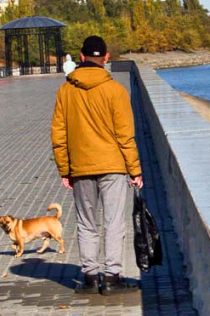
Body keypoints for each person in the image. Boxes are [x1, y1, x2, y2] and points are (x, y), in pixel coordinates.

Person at [51, 35, 144, 295]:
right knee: (114, 222)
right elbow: (125, 135)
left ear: (81, 57)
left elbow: (58, 134)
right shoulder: (116, 90)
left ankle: (90, 278)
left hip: (80, 167)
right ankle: (112, 278)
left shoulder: (65, 91)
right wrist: (135, 169)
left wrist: (64, 169)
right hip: (113, 166)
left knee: (86, 222)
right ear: (106, 58)